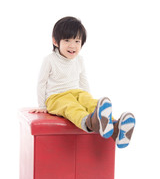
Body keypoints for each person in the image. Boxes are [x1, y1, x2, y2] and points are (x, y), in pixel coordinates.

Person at [30, 16, 135, 148]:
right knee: (72, 107)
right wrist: (42, 106)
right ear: (55, 41)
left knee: (91, 103)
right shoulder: (49, 60)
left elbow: (83, 81)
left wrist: (88, 99)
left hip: (77, 92)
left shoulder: (79, 60)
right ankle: (90, 122)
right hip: (56, 97)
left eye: (77, 41)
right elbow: (41, 83)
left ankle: (116, 129)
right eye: (67, 40)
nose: (72, 45)